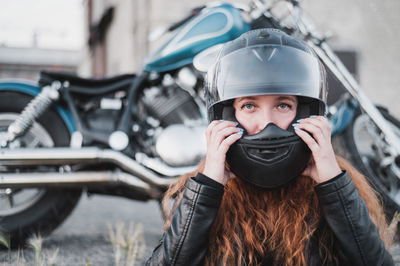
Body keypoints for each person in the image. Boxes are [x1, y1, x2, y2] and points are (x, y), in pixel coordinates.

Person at [146, 29, 394, 266]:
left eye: (283, 105)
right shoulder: (207, 188)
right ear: (227, 117)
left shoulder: (333, 183)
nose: (267, 124)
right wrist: (207, 188)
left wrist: (333, 185)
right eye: (249, 106)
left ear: (306, 113)